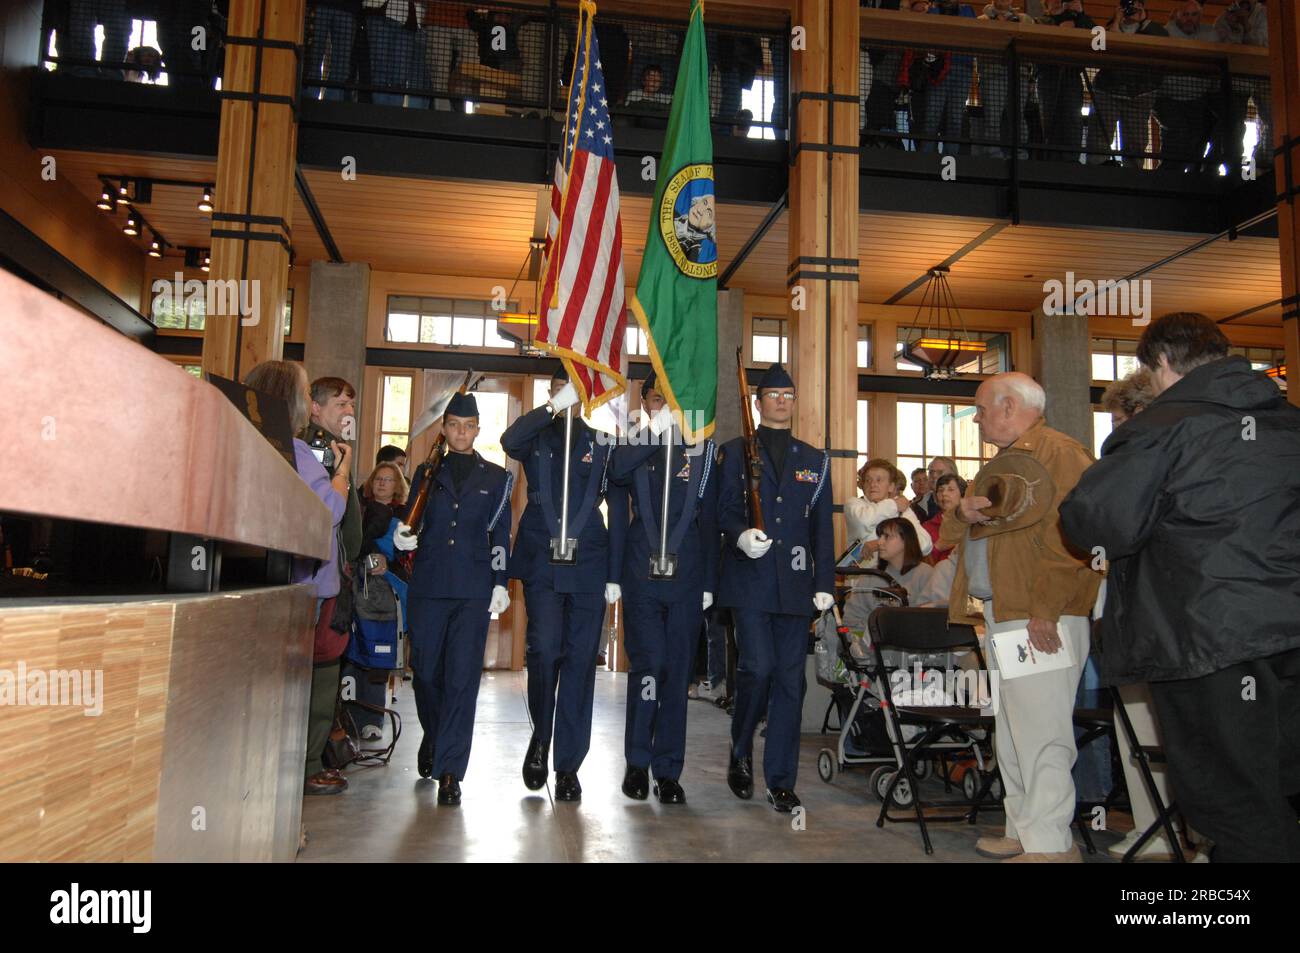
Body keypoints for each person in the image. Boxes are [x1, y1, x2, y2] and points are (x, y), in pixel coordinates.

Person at [1060, 312, 1300, 863]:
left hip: (1209, 639)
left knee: (1231, 801)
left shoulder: (1160, 428)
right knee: (1279, 787)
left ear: (1161, 364)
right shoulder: (1288, 421)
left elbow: (1096, 522)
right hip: (1288, 636)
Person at [940, 371, 1101, 861]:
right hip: (1002, 615)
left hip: (1038, 618)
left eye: (982, 407)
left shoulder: (1061, 454)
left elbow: (1072, 541)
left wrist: (1046, 611)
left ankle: (1051, 843)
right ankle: (1022, 828)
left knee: (1043, 731)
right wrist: (961, 514)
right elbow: (950, 536)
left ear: (1010, 407)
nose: (977, 416)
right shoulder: (1008, 461)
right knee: (1012, 731)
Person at [502, 366, 626, 801]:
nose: (567, 395)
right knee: (544, 649)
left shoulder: (603, 442)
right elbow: (508, 441)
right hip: (542, 556)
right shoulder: (536, 436)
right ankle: (542, 735)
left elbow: (621, 499)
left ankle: (569, 764)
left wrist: (615, 572)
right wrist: (552, 405)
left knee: (579, 661)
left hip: (589, 558)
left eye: (574, 390)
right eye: (559, 388)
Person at [717, 363, 835, 813]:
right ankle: (741, 744)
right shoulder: (735, 451)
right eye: (774, 394)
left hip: (796, 586)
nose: (782, 400)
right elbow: (723, 512)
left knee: (791, 683)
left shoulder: (815, 460)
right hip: (750, 582)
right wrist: (739, 535)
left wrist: (824, 582)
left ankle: (781, 779)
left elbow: (822, 527)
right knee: (758, 669)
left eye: (789, 393)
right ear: (758, 401)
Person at [391, 392, 513, 806]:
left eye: (469, 425)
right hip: (428, 587)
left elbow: (500, 535)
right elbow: (411, 524)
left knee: (462, 680)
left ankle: (450, 771)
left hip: (473, 591)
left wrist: (501, 582)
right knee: (425, 673)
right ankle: (435, 734)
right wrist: (402, 538)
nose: (461, 432)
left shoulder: (497, 479)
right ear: (444, 429)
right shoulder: (427, 472)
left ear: (478, 429)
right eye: (454, 425)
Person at [608, 372, 718, 804]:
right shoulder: (632, 442)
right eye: (656, 399)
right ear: (646, 402)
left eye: (670, 401)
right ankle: (637, 762)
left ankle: (668, 770)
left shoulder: (702, 449)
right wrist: (653, 429)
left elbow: (708, 521)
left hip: (688, 575)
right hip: (642, 575)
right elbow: (616, 475)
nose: (663, 407)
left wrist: (710, 580)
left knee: (676, 673)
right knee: (648, 667)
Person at [243, 360, 350, 798]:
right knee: (297, 686)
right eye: (307, 393)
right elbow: (327, 512)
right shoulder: (296, 451)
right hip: (297, 586)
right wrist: (342, 473)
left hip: (254, 584)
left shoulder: (249, 442)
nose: (310, 401)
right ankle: (297, 772)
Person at [343, 461, 409, 743]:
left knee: (376, 658)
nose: (382, 483)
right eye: (378, 479)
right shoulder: (357, 508)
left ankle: (373, 719)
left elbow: (405, 559)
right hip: (353, 587)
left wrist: (386, 560)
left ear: (398, 487)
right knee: (350, 654)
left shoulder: (405, 518)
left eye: (389, 480)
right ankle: (347, 718)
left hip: (383, 595)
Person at [1089, 1, 1166, 168]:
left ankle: (1133, 174)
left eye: (1138, 6)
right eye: (1129, 7)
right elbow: (1098, 47)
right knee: (1099, 136)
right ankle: (1095, 169)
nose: (1133, 11)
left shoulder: (1153, 30)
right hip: (1107, 91)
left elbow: (1164, 41)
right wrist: (1115, 21)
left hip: (1139, 95)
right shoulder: (1106, 30)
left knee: (1136, 140)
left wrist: (1144, 21)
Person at [304, 377, 364, 573]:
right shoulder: (316, 445)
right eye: (341, 405)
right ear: (315, 408)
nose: (350, 412)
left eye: (352, 405)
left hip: (332, 560)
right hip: (320, 563)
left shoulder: (335, 445)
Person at [1156, 1, 1217, 174]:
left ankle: (1194, 174)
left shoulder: (1211, 34)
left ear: (1200, 16)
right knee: (1177, 133)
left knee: (1198, 135)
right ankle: (1168, 174)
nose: (1189, 19)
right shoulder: (1165, 33)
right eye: (1185, 15)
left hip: (1198, 97)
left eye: (1194, 15)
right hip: (1168, 97)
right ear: (1177, 15)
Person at [843, 517, 936, 629]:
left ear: (906, 540)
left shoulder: (927, 574)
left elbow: (929, 620)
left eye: (887, 537)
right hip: (873, 643)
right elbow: (851, 618)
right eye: (880, 537)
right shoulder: (871, 576)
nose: (880, 542)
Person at [1035, 1, 1096, 163]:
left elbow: (1099, 41)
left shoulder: (1078, 20)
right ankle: (1050, 159)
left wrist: (1080, 14)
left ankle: (1071, 160)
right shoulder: (1040, 22)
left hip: (1072, 74)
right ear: (1046, 6)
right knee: (1050, 118)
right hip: (1048, 76)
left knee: (1072, 119)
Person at [845, 459, 933, 559]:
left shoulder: (902, 509)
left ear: (891, 486)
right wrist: (894, 504)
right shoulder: (853, 504)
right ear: (862, 484)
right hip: (863, 573)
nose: (872, 484)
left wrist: (880, 544)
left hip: (894, 572)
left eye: (879, 480)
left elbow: (925, 544)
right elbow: (865, 521)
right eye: (868, 480)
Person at [921, 1, 978, 155]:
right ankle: (927, 157)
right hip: (940, 68)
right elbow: (931, 32)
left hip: (963, 67)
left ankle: (951, 159)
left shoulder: (967, 10)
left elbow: (972, 32)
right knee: (932, 114)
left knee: (955, 117)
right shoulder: (934, 10)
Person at [922, 471, 967, 563]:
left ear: (962, 495)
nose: (944, 494)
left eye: (950, 490)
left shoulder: (972, 523)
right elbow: (920, 563)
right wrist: (938, 547)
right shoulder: (926, 528)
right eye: (941, 490)